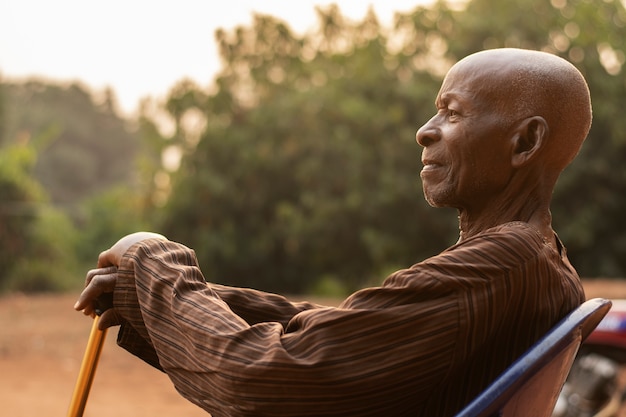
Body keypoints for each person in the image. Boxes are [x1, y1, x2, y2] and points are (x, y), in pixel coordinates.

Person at [74, 48, 592, 417]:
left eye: (452, 114)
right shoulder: (539, 263)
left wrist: (152, 259)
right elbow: (343, 331)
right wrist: (149, 295)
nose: (424, 130)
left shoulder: (499, 266)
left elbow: (262, 379)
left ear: (525, 142)